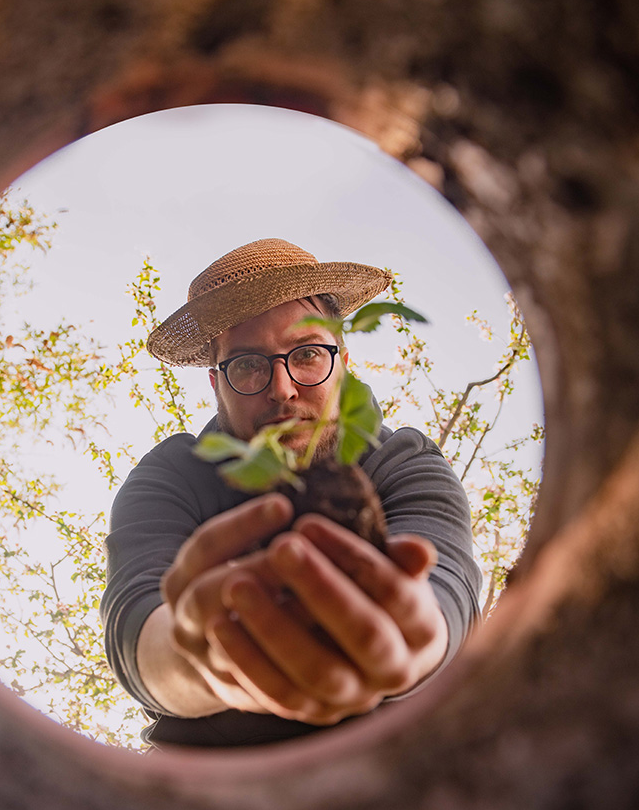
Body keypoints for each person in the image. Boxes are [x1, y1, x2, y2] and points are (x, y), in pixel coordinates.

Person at [101, 238, 481, 749]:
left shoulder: (404, 462)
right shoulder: (170, 477)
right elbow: (138, 628)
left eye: (305, 353)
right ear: (217, 384)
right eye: (249, 365)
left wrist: (413, 641)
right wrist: (202, 664)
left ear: (342, 361)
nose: (282, 388)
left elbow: (445, 586)